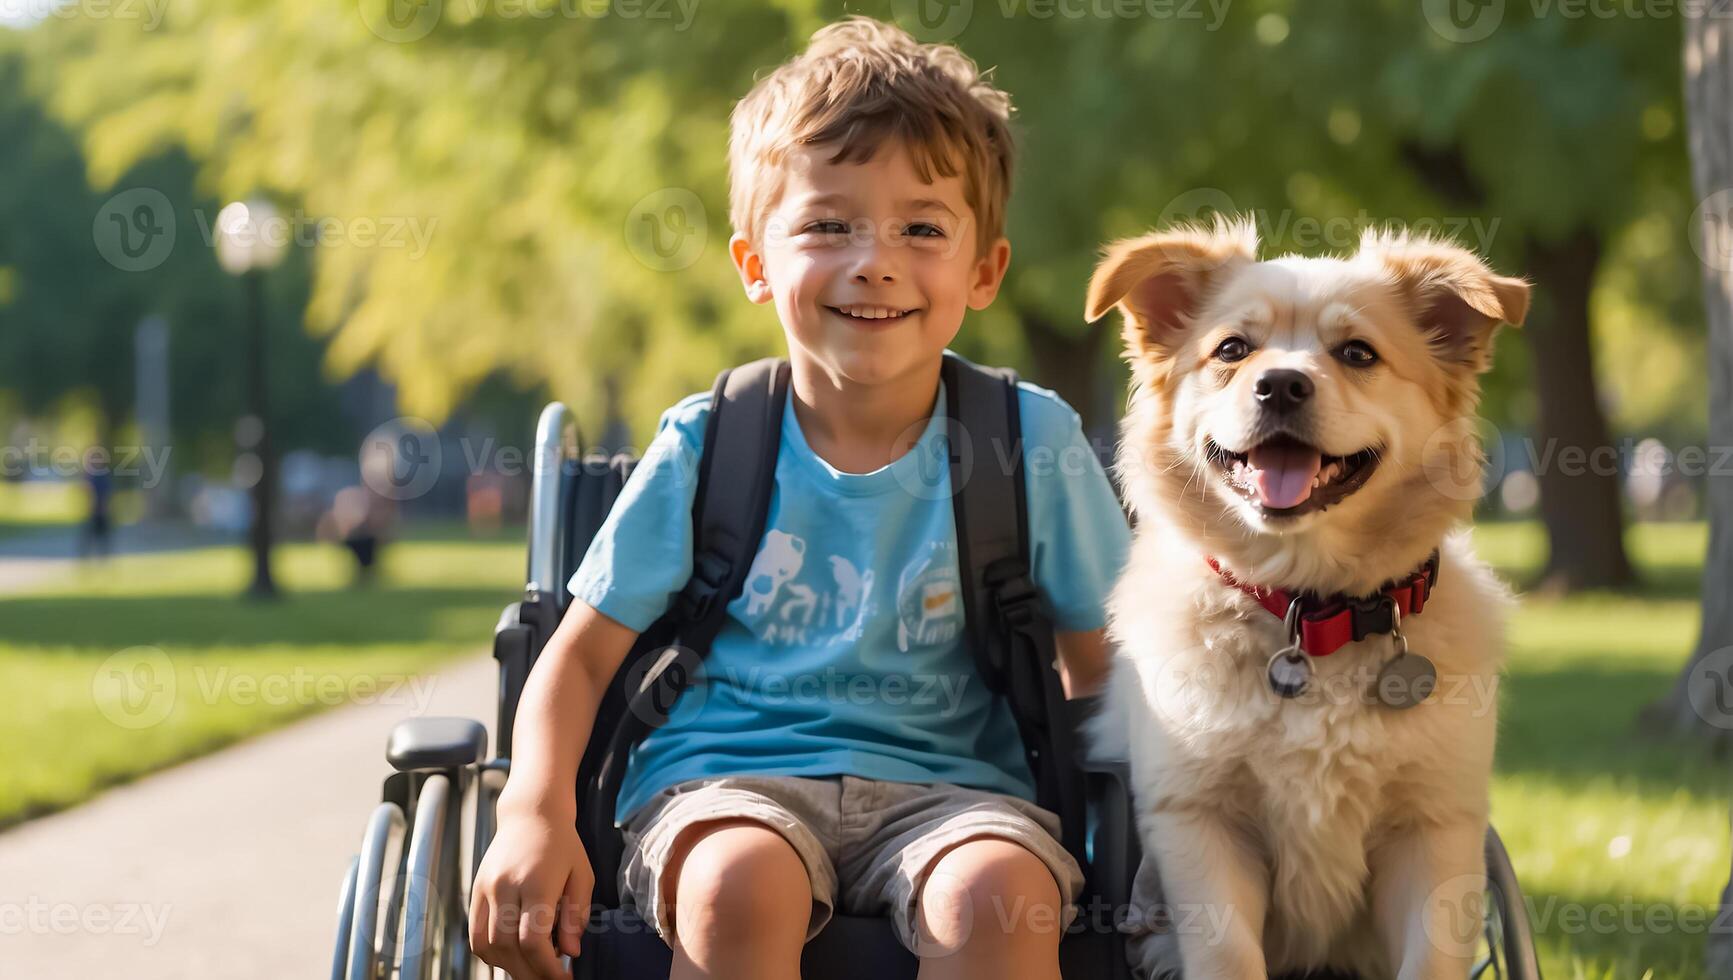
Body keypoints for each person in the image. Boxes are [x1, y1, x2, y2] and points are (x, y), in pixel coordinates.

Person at [468, 18, 1132, 980]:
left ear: (983, 270)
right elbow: (572, 663)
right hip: (726, 782)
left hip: (957, 794)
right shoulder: (709, 444)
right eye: (828, 225)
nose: (874, 259)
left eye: (922, 227)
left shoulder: (1031, 445)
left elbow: (1106, 677)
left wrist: (1156, 839)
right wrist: (532, 811)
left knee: (997, 896)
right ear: (754, 264)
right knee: (740, 882)